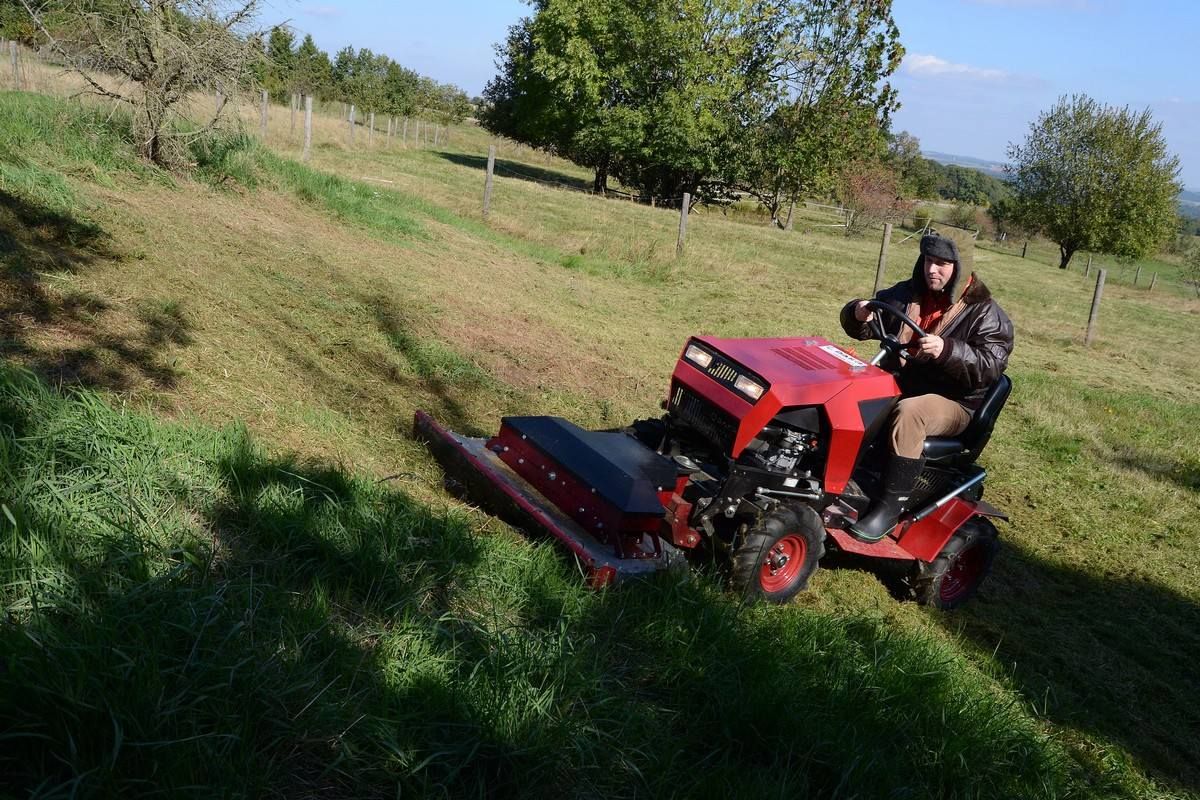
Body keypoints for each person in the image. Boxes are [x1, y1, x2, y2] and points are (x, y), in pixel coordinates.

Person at [839, 232, 1014, 542]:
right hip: (906, 383)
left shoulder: (987, 314)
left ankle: (889, 507)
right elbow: (871, 320)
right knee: (847, 385)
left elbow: (989, 367)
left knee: (912, 412)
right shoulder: (908, 293)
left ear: (960, 267)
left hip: (955, 401)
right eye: (929, 261)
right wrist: (857, 312)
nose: (932, 270)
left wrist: (948, 350)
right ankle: (833, 470)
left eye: (942, 264)